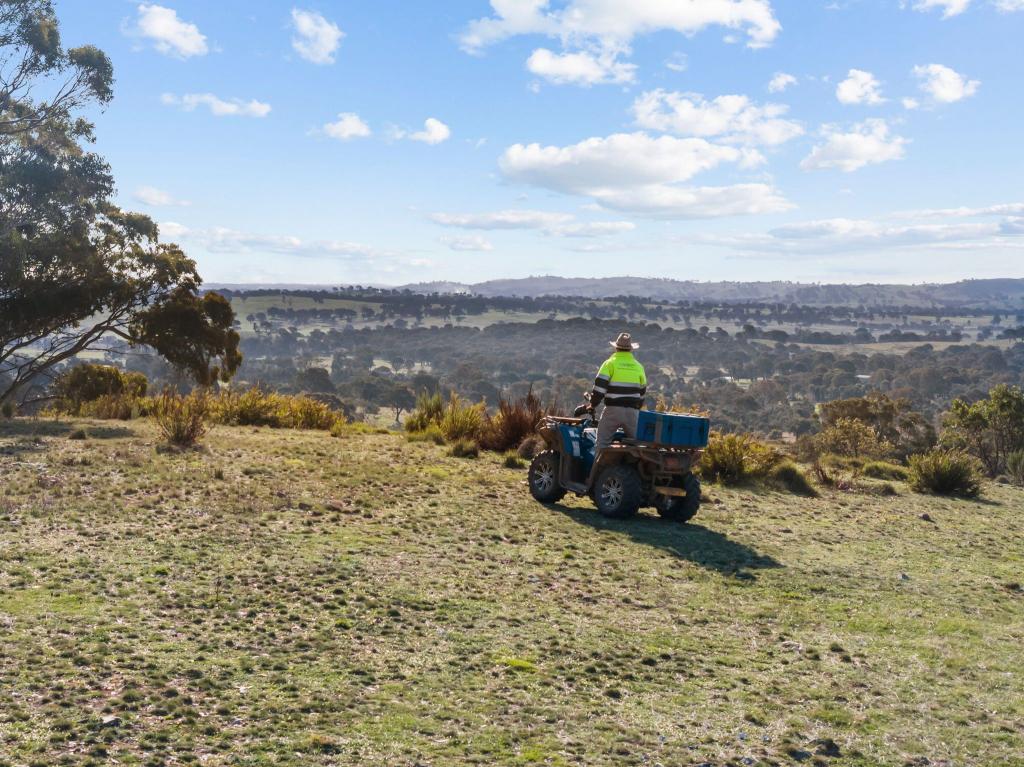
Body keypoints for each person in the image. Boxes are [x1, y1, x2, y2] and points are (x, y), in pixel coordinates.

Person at [590, 332, 647, 451]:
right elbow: (642, 394)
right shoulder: (639, 367)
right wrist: (636, 407)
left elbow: (599, 390)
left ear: (616, 348)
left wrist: (592, 404)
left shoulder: (609, 364)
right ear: (631, 350)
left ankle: (599, 468)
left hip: (613, 410)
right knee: (639, 446)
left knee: (602, 444)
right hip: (632, 412)